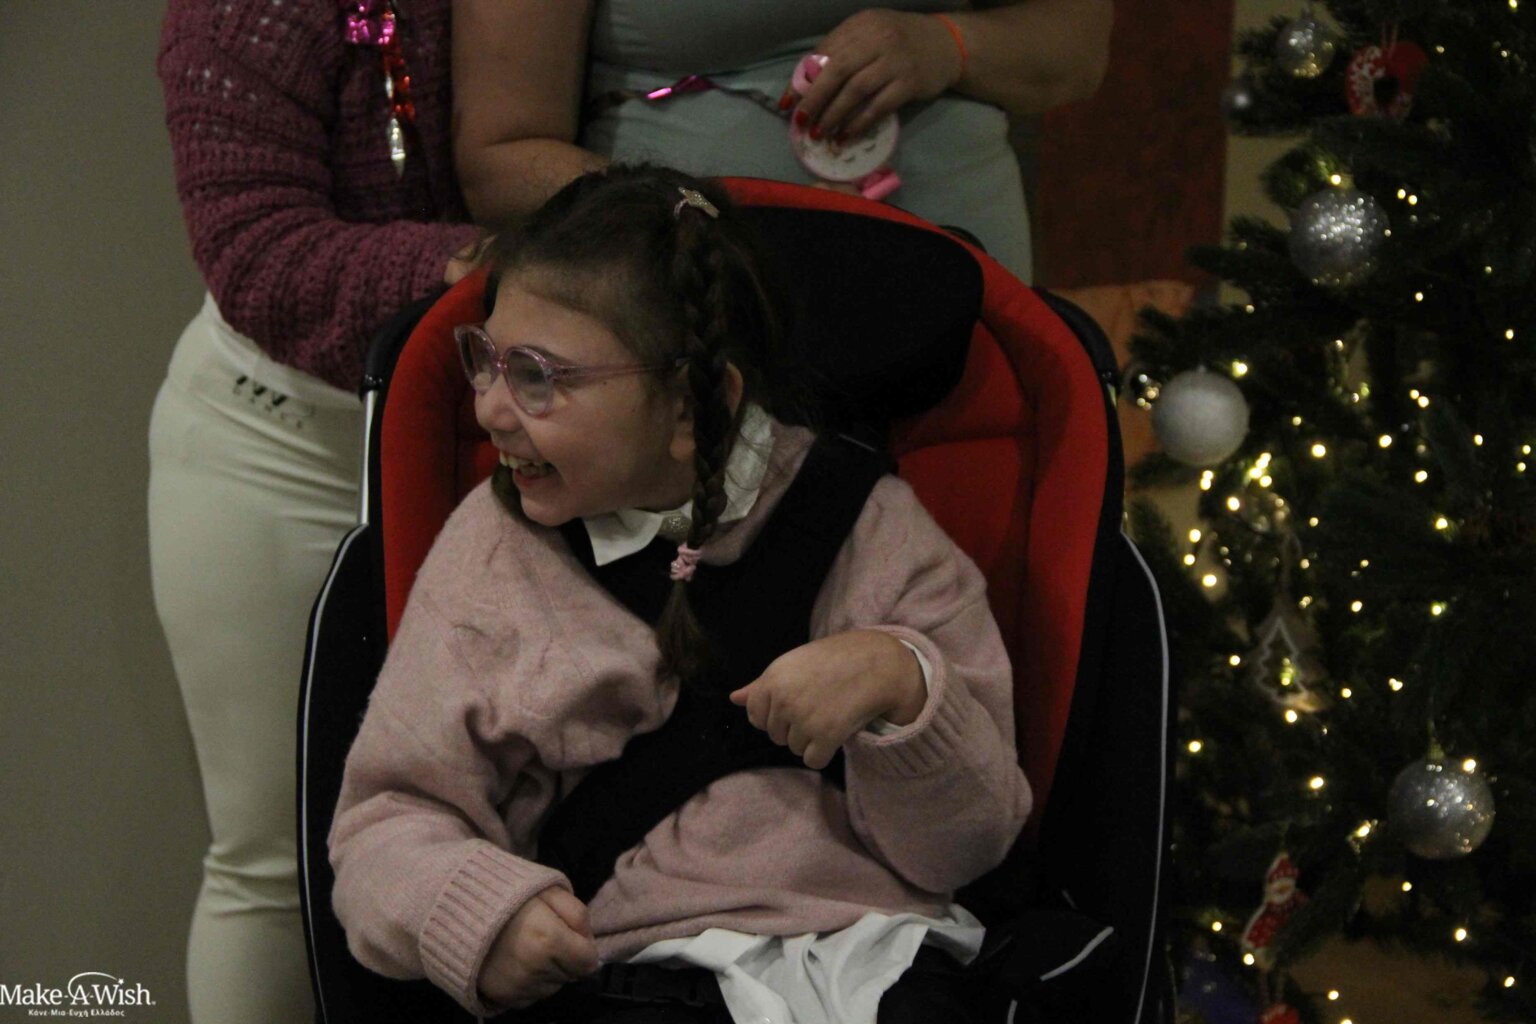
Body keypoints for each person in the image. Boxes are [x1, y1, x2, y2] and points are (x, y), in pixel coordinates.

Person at [328, 165, 1032, 1023]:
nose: (491, 412)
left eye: (538, 376)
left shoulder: (870, 529)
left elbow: (966, 849)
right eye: (486, 360)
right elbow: (385, 822)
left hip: (874, 954)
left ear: (695, 407)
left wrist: (904, 686)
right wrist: (476, 912)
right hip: (628, 969)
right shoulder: (494, 554)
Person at [149, 2, 481, 1021]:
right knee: (275, 857)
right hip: (283, 439)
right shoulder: (247, 15)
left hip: (498, 426)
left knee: (503, 833)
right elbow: (257, 250)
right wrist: (487, 271)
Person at [449, 0, 1114, 281]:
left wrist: (948, 44)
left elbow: (1078, 52)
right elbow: (504, 156)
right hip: (692, 326)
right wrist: (687, 219)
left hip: (963, 326)